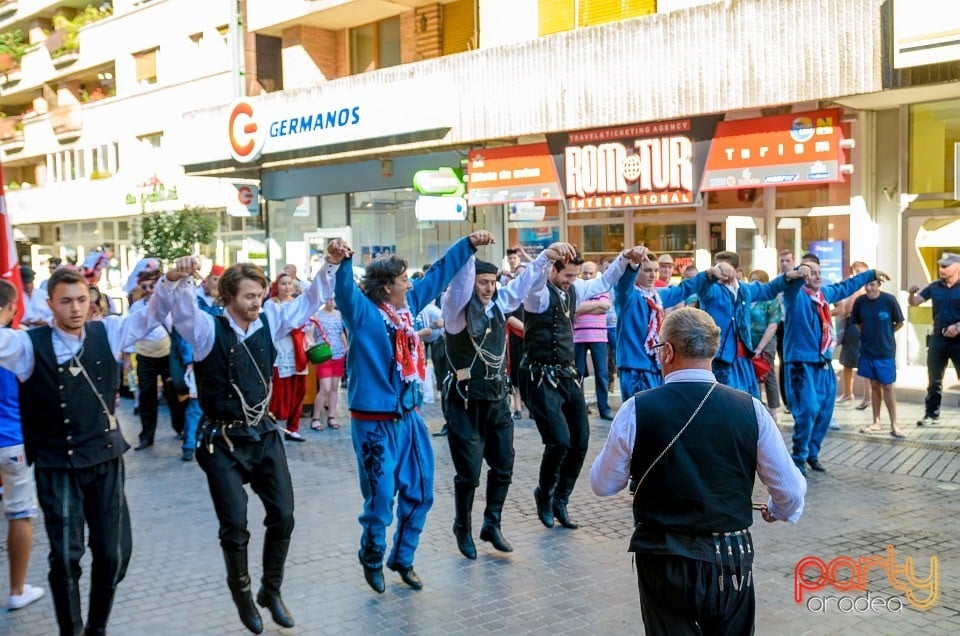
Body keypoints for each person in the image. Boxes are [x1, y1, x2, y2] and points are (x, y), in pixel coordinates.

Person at [589, 307, 806, 636]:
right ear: (713, 350)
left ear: (669, 352)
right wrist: (777, 510)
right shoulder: (750, 408)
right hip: (729, 556)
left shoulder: (637, 407)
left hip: (662, 556)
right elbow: (791, 492)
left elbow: (603, 484)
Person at [155, 257, 332, 633]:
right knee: (235, 525)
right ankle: (242, 595)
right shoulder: (206, 329)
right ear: (228, 297)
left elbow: (310, 300)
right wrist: (177, 277)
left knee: (284, 515)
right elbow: (181, 311)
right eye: (249, 296)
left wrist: (329, 265)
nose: (256, 302)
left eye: (259, 295)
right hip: (221, 440)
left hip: (263, 434)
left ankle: (272, 590)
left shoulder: (271, 319)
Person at [0, 267, 168, 636]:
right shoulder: (29, 344)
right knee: (65, 557)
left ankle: (97, 628)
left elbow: (153, 313)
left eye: (81, 300)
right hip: (58, 464)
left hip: (106, 459)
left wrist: (171, 281)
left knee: (113, 555)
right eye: (65, 301)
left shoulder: (107, 331)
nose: (75, 308)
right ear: (49, 305)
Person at [326, 231, 494, 594]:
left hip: (409, 418)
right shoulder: (364, 315)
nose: (409, 281)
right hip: (373, 422)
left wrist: (468, 245)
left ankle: (403, 558)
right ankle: (372, 556)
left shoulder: (406, 310)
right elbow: (344, 293)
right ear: (387, 287)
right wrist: (341, 263)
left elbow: (437, 275)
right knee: (381, 496)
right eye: (403, 278)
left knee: (421, 491)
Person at [441, 244, 573, 560]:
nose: (488, 288)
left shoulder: (500, 304)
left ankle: (492, 523)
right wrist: (469, 249)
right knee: (469, 473)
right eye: (482, 282)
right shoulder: (455, 312)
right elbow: (459, 288)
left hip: (497, 399)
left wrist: (546, 257)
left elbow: (525, 282)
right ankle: (463, 527)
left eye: (491, 282)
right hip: (466, 401)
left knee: (504, 465)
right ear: (471, 282)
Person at [523, 245, 646, 530]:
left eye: (573, 276)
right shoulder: (537, 295)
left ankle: (561, 499)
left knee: (581, 440)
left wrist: (624, 258)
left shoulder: (574, 288)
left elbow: (603, 282)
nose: (569, 281)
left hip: (567, 375)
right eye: (566, 275)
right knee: (559, 440)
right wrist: (547, 256)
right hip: (540, 377)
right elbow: (535, 278)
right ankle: (544, 493)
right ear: (553, 270)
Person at [773, 258, 884, 475]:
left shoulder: (823, 295)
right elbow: (790, 285)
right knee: (808, 409)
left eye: (818, 271)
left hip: (823, 361)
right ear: (802, 276)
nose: (816, 275)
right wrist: (797, 275)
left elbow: (845, 287)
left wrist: (870, 274)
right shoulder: (794, 296)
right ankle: (799, 457)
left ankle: (812, 454)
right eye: (810, 272)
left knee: (824, 411)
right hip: (800, 363)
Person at [0, 280, 45, 612]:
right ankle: (17, 589)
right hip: (14, 440)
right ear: (12, 306)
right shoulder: (21, 345)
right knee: (20, 515)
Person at [614, 252, 711, 400]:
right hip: (634, 366)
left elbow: (683, 290)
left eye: (655, 270)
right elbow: (623, 284)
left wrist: (709, 275)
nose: (653, 275)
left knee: (658, 413)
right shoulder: (628, 297)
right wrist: (632, 265)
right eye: (647, 270)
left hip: (655, 365)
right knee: (639, 413)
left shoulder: (658, 296)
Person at [691, 251, 782, 398]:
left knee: (749, 400)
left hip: (743, 357)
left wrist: (790, 277)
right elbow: (702, 287)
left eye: (725, 267)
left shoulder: (744, 289)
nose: (721, 271)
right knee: (723, 400)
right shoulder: (712, 290)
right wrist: (711, 273)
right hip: (718, 359)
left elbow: (769, 289)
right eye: (718, 266)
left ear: (738, 270)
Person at [131, 269, 185, 450]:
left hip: (166, 355)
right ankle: (146, 437)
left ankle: (181, 428)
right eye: (144, 286)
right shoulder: (136, 307)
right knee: (147, 397)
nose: (147, 289)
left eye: (151, 286)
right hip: (145, 356)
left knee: (174, 394)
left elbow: (175, 329)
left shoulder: (167, 305)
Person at [908, 252, 960, 427]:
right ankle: (931, 415)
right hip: (938, 339)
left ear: (957, 267)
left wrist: (957, 327)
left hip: (958, 340)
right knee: (934, 379)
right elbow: (915, 302)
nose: (941, 269)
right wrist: (911, 294)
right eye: (940, 266)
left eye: (945, 266)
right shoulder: (934, 287)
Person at [852, 280, 905, 438]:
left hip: (885, 350)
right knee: (874, 385)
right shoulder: (860, 302)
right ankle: (876, 422)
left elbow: (900, 322)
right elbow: (857, 323)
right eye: (867, 285)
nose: (869, 288)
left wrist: (887, 333)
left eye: (873, 285)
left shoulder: (889, 300)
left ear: (879, 285)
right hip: (868, 350)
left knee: (888, 386)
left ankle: (894, 424)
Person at [268, 272, 309, 443]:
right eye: (283, 283)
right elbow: (276, 328)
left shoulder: (297, 302)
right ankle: (273, 426)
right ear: (276, 286)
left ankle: (293, 428)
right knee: (279, 393)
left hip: (297, 351)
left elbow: (310, 295)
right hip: (281, 351)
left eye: (290, 283)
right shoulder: (272, 304)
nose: (287, 287)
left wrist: (299, 281)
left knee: (299, 391)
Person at [573, 260, 613, 420]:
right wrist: (595, 305)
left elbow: (606, 306)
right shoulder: (575, 288)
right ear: (580, 273)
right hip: (578, 337)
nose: (588, 276)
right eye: (585, 273)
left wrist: (584, 306)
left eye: (591, 273)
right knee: (578, 375)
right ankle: (578, 408)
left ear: (596, 273)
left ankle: (604, 409)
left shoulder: (602, 286)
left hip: (599, 336)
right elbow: (573, 309)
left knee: (602, 374)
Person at [835, 261, 871, 409]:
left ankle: (867, 397)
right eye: (856, 271)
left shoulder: (866, 288)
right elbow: (841, 306)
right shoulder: (848, 286)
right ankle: (848, 393)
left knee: (864, 363)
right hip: (849, 326)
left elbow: (847, 307)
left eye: (861, 271)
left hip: (863, 327)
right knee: (847, 361)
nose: (857, 274)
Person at [748, 269, 782, 423]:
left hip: (766, 342)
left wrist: (760, 348)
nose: (754, 283)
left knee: (768, 376)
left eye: (758, 280)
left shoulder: (771, 299)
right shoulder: (748, 298)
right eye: (752, 279)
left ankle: (774, 412)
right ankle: (757, 407)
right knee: (752, 375)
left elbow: (773, 325)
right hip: (749, 342)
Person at [310, 298, 347, 430]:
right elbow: (311, 333)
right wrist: (311, 345)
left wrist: (346, 346)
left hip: (338, 353)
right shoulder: (317, 314)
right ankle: (315, 417)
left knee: (333, 388)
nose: (331, 302)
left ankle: (331, 416)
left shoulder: (339, 314)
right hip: (323, 354)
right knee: (324, 388)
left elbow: (340, 332)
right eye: (328, 299)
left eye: (333, 299)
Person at [775, 248, 794, 409]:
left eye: (787, 260)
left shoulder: (798, 281)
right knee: (783, 362)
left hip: (795, 326)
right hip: (780, 325)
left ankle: (795, 397)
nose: (784, 264)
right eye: (782, 260)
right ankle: (787, 401)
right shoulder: (776, 282)